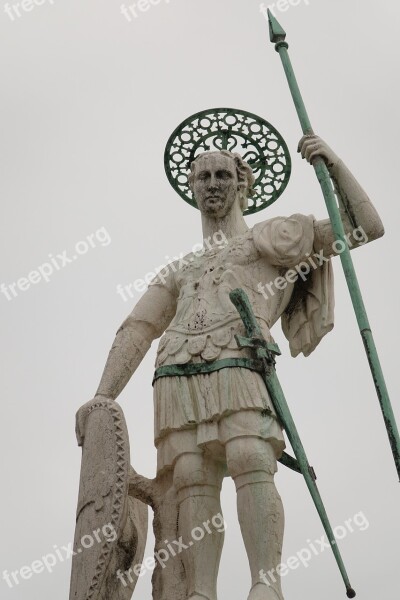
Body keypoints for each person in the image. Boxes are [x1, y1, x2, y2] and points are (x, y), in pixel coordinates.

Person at [76, 135, 384, 600]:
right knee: (193, 481)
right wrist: (103, 394)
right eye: (203, 176)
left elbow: (365, 227)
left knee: (251, 459)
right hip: (176, 373)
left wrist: (333, 163)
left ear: (244, 185)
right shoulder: (182, 267)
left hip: (241, 360)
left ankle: (266, 584)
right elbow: (137, 327)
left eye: (223, 175)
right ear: (192, 187)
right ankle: (201, 592)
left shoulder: (273, 239)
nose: (213, 184)